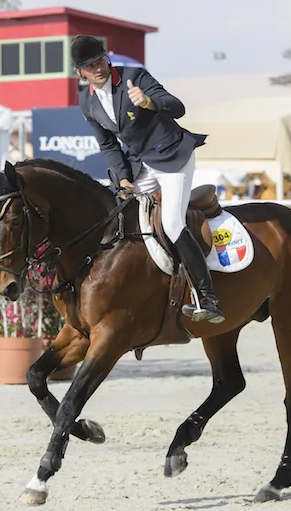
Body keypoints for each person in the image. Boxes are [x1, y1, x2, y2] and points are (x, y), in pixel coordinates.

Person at [71, 35, 224, 324]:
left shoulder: (134, 76)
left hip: (172, 157)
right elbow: (108, 146)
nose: (99, 68)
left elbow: (177, 107)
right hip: (141, 165)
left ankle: (207, 297)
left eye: (101, 60)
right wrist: (123, 180)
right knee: (115, 214)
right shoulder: (86, 101)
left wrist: (149, 102)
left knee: (172, 223)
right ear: (80, 72)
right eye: (90, 66)